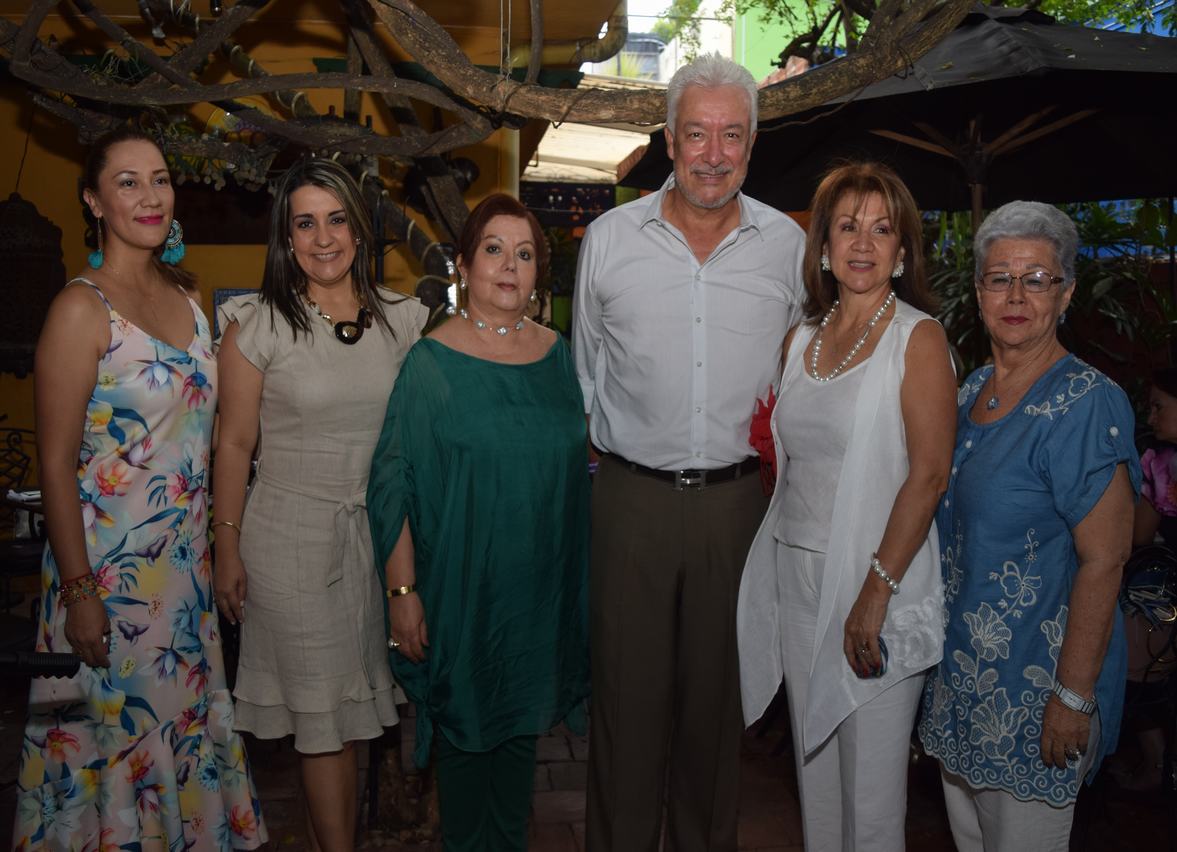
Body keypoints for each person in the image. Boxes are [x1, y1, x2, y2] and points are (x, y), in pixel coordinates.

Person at [572, 53, 806, 850]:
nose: (713, 154)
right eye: (696, 133)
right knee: (625, 711)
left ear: (750, 144)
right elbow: (586, 375)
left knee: (717, 714)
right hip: (630, 502)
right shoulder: (607, 241)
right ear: (669, 140)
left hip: (740, 510)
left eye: (731, 135)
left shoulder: (787, 248)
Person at [15, 126, 265, 849]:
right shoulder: (79, 310)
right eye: (127, 182)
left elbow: (212, 437)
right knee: (115, 758)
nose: (150, 195)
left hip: (182, 583)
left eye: (159, 178)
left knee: (181, 749)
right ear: (94, 199)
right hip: (109, 585)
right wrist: (79, 593)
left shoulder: (188, 299)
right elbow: (55, 465)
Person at [736, 162, 956, 850]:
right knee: (818, 788)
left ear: (901, 252)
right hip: (798, 585)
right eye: (848, 226)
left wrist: (874, 592)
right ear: (824, 247)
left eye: (882, 229)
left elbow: (928, 476)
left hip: (875, 590)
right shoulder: (799, 340)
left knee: (871, 806)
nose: (863, 243)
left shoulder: (917, 340)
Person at [213, 157, 426, 850]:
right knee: (323, 726)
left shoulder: (403, 323)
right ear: (286, 238)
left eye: (336, 220)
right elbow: (234, 445)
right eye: (305, 223)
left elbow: (414, 447)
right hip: (290, 539)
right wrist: (226, 548)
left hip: (377, 539)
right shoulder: (257, 325)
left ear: (360, 232)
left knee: (357, 713)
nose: (323, 237)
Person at [367, 193, 590, 850]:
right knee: (465, 759)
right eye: (493, 248)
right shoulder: (431, 364)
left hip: (536, 600)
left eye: (524, 254)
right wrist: (402, 594)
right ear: (464, 264)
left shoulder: (557, 356)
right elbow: (392, 483)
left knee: (518, 755)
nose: (508, 265)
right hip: (463, 598)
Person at [919, 201, 1140, 852]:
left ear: (1065, 292)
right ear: (978, 291)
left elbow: (1105, 559)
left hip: (1034, 698)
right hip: (960, 684)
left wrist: (1070, 698)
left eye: (1036, 277)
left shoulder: (1085, 401)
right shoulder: (968, 392)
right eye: (998, 277)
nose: (1015, 294)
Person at [1109, 368, 1177, 791]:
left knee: (1128, 641)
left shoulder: (1161, 462)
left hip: (1164, 599)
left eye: (1159, 406)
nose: (1150, 416)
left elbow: (1137, 535)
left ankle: (1155, 765)